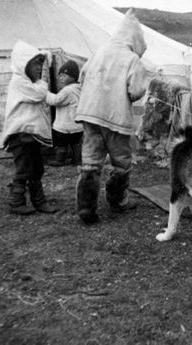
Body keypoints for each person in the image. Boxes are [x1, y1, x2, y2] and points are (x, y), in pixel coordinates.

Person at [74, 8, 148, 225]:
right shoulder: (132, 59)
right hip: (115, 117)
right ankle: (117, 201)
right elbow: (136, 91)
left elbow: (82, 77)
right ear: (134, 38)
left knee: (90, 162)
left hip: (89, 114)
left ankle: (86, 208)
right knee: (121, 162)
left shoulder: (99, 51)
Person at [2, 40, 57, 215]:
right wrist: (43, 83)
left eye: (40, 64)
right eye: (34, 64)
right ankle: (16, 202)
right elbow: (40, 93)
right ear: (22, 65)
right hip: (20, 134)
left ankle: (39, 201)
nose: (39, 68)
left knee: (36, 168)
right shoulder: (20, 82)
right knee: (24, 168)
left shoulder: (30, 82)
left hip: (30, 135)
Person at [46, 60, 83, 166]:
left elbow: (55, 101)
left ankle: (60, 160)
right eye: (60, 76)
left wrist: (45, 93)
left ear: (73, 77)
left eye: (64, 75)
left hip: (66, 126)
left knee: (62, 144)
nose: (60, 78)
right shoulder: (79, 88)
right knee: (75, 144)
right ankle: (77, 160)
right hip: (78, 126)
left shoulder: (68, 90)